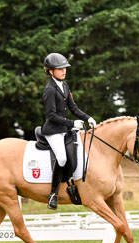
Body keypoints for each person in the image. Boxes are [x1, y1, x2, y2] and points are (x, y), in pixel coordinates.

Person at [42, 53, 96, 210]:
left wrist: (88, 118)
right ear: (51, 71)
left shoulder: (64, 86)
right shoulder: (50, 90)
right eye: (60, 69)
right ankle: (53, 194)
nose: (64, 71)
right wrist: (72, 123)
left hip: (64, 129)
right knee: (62, 158)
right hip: (52, 131)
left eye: (64, 68)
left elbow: (74, 108)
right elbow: (51, 116)